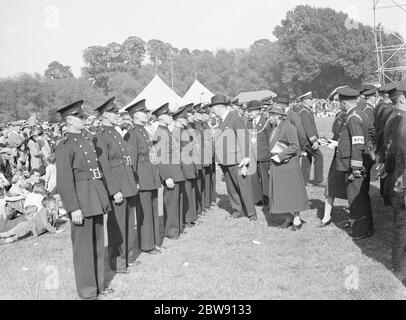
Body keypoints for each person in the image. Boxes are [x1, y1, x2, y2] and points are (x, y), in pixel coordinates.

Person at [55, 100, 113, 300]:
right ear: (69, 120)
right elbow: (64, 181)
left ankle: (99, 286)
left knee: (97, 244)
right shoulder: (64, 146)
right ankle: (88, 292)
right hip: (81, 201)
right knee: (83, 249)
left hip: (94, 197)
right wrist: (73, 208)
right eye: (80, 117)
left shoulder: (86, 140)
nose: (84, 119)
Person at [93, 97, 139, 273]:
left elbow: (125, 161)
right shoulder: (101, 136)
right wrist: (114, 191)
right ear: (105, 115)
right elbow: (104, 166)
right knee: (117, 226)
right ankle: (117, 262)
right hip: (117, 187)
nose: (117, 115)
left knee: (128, 223)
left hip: (126, 184)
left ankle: (128, 257)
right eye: (113, 113)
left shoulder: (115, 132)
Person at [209, 94, 257, 221]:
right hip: (225, 160)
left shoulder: (234, 118)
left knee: (243, 186)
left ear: (219, 107)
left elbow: (244, 137)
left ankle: (251, 212)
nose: (212, 111)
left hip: (236, 160)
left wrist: (246, 157)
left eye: (213, 108)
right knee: (231, 188)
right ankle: (237, 210)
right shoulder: (223, 120)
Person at [335, 87, 374, 240]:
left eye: (339, 102)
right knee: (361, 195)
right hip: (361, 160)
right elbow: (371, 133)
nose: (339, 105)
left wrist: (355, 168)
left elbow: (357, 144)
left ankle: (360, 230)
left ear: (344, 103)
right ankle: (364, 226)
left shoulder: (353, 117)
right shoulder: (361, 113)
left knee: (356, 197)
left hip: (356, 164)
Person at [125, 99, 163, 254]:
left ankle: (154, 241)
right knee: (145, 213)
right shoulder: (132, 133)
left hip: (150, 175)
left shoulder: (143, 130)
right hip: (142, 177)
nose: (147, 114)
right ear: (135, 115)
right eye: (144, 112)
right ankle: (147, 244)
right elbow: (131, 160)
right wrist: (135, 180)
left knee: (153, 210)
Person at [267, 104, 309, 231]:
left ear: (278, 116)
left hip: (288, 165)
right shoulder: (275, 127)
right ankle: (288, 218)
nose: (269, 118)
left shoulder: (288, 127)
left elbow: (295, 146)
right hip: (278, 165)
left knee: (292, 193)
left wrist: (280, 156)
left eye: (271, 115)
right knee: (281, 193)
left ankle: (296, 219)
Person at [152, 103, 187, 240]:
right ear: (161, 117)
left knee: (177, 201)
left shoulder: (166, 130)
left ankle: (177, 227)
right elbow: (160, 158)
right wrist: (166, 177)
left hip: (176, 170)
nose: (170, 117)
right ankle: (171, 230)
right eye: (167, 115)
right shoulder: (160, 133)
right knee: (171, 203)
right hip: (170, 173)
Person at [319, 94, 348, 227]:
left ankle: (353, 216)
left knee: (350, 187)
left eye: (339, 101)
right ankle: (326, 216)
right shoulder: (339, 115)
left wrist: (337, 143)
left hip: (348, 157)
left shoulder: (352, 116)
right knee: (331, 184)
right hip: (338, 156)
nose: (337, 103)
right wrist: (329, 141)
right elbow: (336, 134)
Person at [245, 100, 272, 208]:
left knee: (265, 178)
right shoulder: (248, 123)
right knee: (254, 178)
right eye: (249, 110)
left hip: (264, 154)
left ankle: (267, 198)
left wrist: (271, 154)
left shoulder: (266, 121)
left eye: (252, 110)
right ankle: (257, 199)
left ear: (258, 111)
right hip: (252, 156)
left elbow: (270, 138)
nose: (250, 112)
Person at [297, 92, 324, 186]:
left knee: (307, 159)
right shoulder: (304, 112)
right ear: (305, 101)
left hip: (306, 140)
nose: (312, 101)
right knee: (319, 157)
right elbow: (308, 127)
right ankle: (318, 180)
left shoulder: (306, 110)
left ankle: (304, 180)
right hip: (308, 140)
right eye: (310, 99)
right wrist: (314, 141)